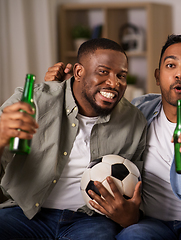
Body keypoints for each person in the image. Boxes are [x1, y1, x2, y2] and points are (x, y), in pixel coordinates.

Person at [45, 34, 181, 240]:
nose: (180, 74)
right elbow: (97, 102)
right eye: (171, 65)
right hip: (149, 222)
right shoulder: (140, 109)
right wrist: (70, 87)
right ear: (157, 76)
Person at [0, 38, 147, 239]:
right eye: (103, 72)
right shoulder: (33, 101)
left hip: (91, 220)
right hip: (24, 213)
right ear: (79, 72)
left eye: (121, 75)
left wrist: (130, 214)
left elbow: (136, 190)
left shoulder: (134, 121)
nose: (114, 83)